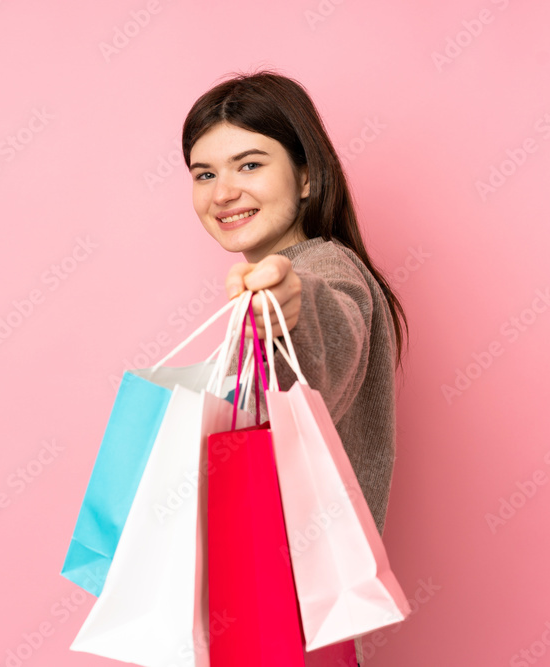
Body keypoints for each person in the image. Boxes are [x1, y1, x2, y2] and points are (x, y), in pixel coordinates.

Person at [183, 69, 409, 666]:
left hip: (290, 622)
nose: (223, 191)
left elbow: (325, 345)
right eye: (205, 173)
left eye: (249, 164)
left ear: (307, 176)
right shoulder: (274, 285)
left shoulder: (326, 274)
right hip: (265, 615)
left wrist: (290, 303)